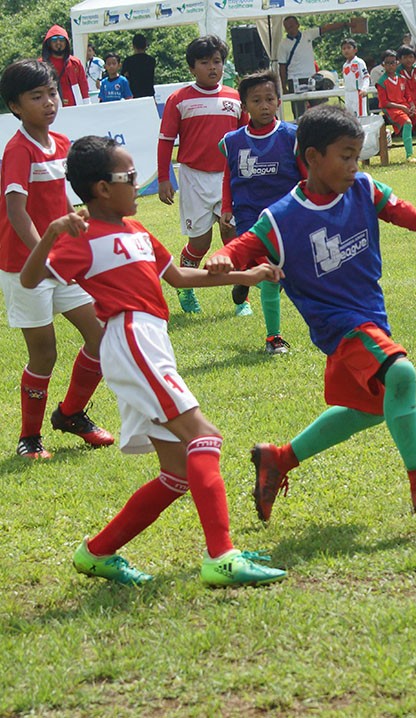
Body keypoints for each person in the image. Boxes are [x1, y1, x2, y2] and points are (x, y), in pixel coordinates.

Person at [204, 104, 416, 524]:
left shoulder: (364, 189)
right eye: (345, 155)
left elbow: (412, 216)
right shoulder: (281, 218)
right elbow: (240, 247)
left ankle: (279, 459)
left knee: (369, 409)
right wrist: (222, 256)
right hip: (340, 326)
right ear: (312, 157)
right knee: (400, 374)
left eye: (357, 155)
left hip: (370, 316)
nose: (354, 164)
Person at [20, 136, 287, 588]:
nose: (136, 183)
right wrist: (51, 233)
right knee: (205, 436)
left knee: (178, 472)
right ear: (102, 188)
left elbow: (179, 276)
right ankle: (222, 558)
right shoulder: (83, 239)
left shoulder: (137, 232)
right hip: (131, 337)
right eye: (129, 177)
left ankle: (97, 552)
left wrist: (248, 273)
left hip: (150, 340)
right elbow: (29, 281)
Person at [0, 60, 114, 459]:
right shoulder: (17, 150)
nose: (49, 102)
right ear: (15, 106)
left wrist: (80, 225)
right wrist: (41, 256)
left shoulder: (61, 143)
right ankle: (28, 438)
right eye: (37, 97)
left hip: (59, 262)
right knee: (44, 353)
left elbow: (60, 201)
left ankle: (71, 413)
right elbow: (17, 211)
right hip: (26, 268)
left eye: (52, 93)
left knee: (102, 335)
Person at [157, 35, 246, 315]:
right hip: (194, 178)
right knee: (200, 242)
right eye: (204, 62)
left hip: (228, 178)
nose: (212, 67)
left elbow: (246, 137)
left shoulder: (235, 97)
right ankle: (186, 287)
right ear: (192, 68)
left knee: (233, 237)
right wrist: (163, 178)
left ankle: (241, 296)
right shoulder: (179, 99)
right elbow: (165, 140)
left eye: (217, 61)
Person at [219, 70, 306, 353]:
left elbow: (306, 177)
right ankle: (273, 338)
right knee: (271, 275)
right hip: (251, 219)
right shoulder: (232, 141)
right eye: (256, 100)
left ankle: (245, 279)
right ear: (244, 107)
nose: (264, 105)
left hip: (289, 218)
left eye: (269, 99)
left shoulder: (292, 136)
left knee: (287, 273)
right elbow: (228, 174)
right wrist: (227, 207)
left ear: (279, 101)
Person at [277, 15, 363, 119]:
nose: (290, 29)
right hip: (294, 80)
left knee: (320, 109)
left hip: (312, 78)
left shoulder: (307, 34)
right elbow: (282, 66)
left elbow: (326, 28)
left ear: (297, 25)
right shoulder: (283, 44)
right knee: (299, 113)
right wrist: (284, 86)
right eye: (287, 27)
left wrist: (345, 24)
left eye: (291, 26)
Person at [40, 26, 88, 107]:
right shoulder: (41, 64)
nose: (58, 43)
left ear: (66, 42)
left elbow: (83, 86)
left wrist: (87, 104)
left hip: (75, 107)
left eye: (61, 40)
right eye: (54, 40)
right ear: (49, 43)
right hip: (50, 108)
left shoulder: (75, 63)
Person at [121, 34, 157, 99]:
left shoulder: (128, 61)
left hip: (133, 94)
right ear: (145, 45)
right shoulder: (151, 60)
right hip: (149, 93)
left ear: (133, 46)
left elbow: (124, 77)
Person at [341, 38, 369, 118]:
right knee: (349, 116)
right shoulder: (345, 65)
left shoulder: (359, 62)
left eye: (349, 48)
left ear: (355, 49)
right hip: (348, 93)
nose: (346, 51)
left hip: (358, 93)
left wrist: (364, 89)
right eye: (344, 49)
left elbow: (366, 77)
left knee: (360, 116)